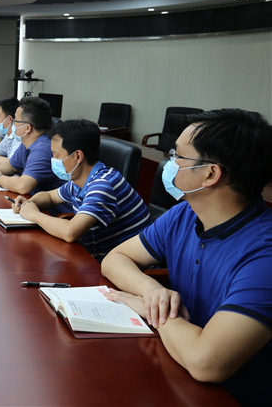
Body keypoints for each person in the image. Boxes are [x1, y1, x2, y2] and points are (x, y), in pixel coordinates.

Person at [101, 109, 272, 406]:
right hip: (173, 366)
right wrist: (151, 291)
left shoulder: (264, 255)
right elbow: (115, 258)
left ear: (210, 174)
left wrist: (153, 312)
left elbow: (206, 363)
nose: (170, 163)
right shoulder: (185, 213)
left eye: (177, 155)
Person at [12, 119, 150, 261]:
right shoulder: (80, 181)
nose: (53, 159)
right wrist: (29, 203)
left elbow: (70, 232)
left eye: (56, 155)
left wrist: (34, 215)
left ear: (77, 156)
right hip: (98, 259)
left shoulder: (103, 185)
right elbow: (50, 197)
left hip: (126, 266)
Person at [0, 97, 64, 195]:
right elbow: (11, 166)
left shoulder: (43, 148)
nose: (13, 124)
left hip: (48, 205)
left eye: (15, 121)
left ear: (27, 128)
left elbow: (23, 186)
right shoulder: (27, 143)